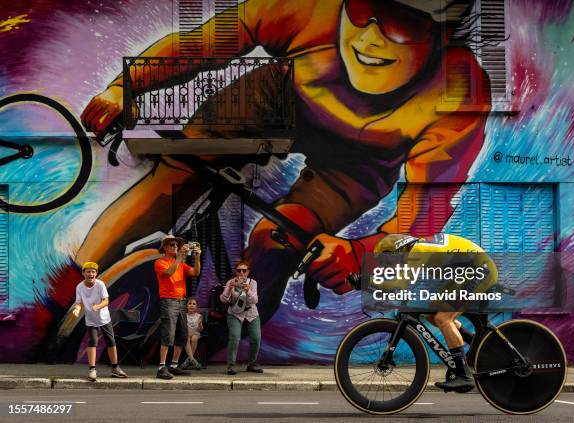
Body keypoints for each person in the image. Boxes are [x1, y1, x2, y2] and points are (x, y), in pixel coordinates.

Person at [76, 0, 490, 364]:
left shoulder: (459, 92)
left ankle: (219, 335)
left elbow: (426, 208)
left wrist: (357, 253)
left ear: (444, 34)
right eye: (363, 11)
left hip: (356, 164)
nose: (369, 39)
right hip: (275, 99)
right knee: (175, 177)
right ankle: (70, 285)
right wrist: (121, 90)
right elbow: (204, 43)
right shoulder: (307, 8)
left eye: (401, 25)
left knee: (278, 238)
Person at [372, 233, 498, 391]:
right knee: (432, 310)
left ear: (398, 251)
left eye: (385, 260)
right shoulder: (419, 250)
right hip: (468, 272)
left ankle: (464, 376)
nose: (385, 266)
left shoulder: (417, 252)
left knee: (443, 319)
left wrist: (365, 281)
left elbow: (400, 285)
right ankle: (476, 345)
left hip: (480, 271)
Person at [154, 235, 202, 379]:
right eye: (172, 245)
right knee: (168, 334)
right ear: (165, 248)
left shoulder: (179, 263)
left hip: (182, 301)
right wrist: (180, 257)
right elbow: (169, 273)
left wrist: (197, 258)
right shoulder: (159, 262)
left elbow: (195, 273)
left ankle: (174, 365)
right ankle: (161, 367)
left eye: (176, 245)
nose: (175, 247)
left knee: (182, 334)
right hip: (169, 301)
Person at [72, 262, 128, 381]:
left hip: (104, 319)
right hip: (91, 320)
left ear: (96, 274)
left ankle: (115, 368)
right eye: (88, 271)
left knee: (111, 342)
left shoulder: (100, 284)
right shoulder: (79, 287)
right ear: (83, 273)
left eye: (93, 272)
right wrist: (77, 309)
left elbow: (106, 301)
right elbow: (78, 302)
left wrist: (98, 306)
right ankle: (92, 370)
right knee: (92, 342)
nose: (91, 274)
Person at [220, 260, 263, 375]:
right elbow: (223, 299)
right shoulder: (231, 282)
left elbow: (255, 301)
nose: (241, 273)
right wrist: (229, 288)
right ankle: (231, 366)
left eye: (244, 270)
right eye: (239, 270)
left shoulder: (252, 283)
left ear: (248, 272)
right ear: (236, 271)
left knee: (256, 338)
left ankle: (252, 364)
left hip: (251, 313)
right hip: (235, 313)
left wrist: (248, 290)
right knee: (234, 338)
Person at [180, 297, 205, 370]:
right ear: (186, 306)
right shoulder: (184, 316)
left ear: (196, 306)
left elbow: (200, 329)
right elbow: (183, 328)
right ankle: (192, 360)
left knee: (194, 338)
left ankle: (188, 360)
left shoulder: (199, 316)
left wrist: (200, 323)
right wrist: (188, 333)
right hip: (187, 333)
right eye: (190, 303)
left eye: (194, 304)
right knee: (186, 337)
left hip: (196, 333)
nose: (192, 305)